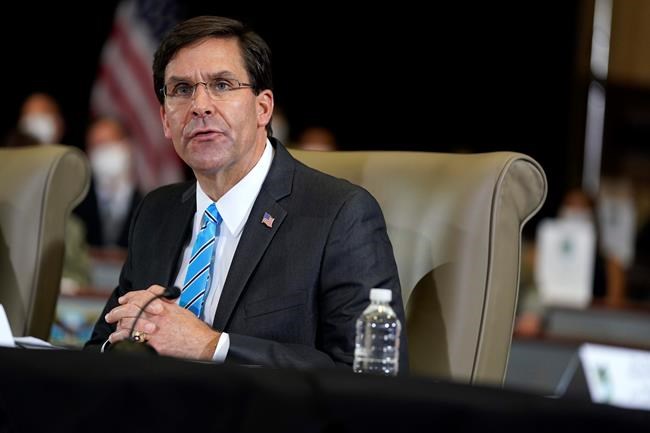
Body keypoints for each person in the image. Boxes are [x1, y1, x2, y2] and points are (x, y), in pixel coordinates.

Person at [85, 16, 407, 370]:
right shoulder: (156, 211)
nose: (200, 105)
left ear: (262, 108)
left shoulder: (339, 216)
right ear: (165, 119)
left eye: (222, 85)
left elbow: (366, 375)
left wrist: (212, 346)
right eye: (182, 89)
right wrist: (129, 339)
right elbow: (99, 348)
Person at [74, 116, 142, 252]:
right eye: (96, 146)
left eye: (109, 143)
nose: (102, 151)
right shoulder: (76, 205)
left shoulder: (147, 205)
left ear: (127, 146)